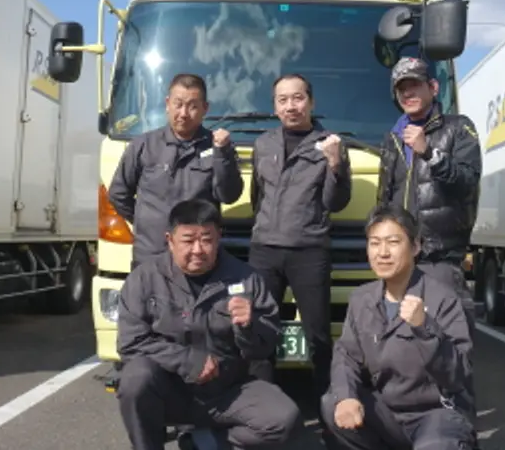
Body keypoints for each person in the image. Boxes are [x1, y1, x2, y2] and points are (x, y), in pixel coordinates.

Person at [115, 198, 302, 450]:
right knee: (135, 379)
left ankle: (204, 442)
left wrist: (249, 326)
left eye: (206, 240)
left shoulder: (246, 278)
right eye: (188, 240)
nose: (198, 250)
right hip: (170, 389)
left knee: (283, 419)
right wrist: (188, 361)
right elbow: (130, 342)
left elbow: (264, 348)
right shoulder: (144, 278)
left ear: (219, 237)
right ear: (170, 240)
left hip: (227, 389)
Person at [321, 204, 477, 450]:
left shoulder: (443, 298)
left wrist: (425, 328)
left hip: (435, 414)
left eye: (393, 242)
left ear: (415, 246)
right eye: (374, 243)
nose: (382, 252)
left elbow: (459, 374)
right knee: (333, 403)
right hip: (388, 413)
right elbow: (346, 356)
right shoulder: (362, 299)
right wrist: (346, 396)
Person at [247, 73, 352, 405]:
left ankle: (329, 408)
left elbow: (336, 202)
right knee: (260, 330)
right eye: (283, 100)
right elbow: (257, 198)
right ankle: (263, 405)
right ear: (275, 107)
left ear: (311, 102)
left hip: (309, 251)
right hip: (265, 250)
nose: (291, 106)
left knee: (318, 334)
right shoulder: (263, 144)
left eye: (298, 98)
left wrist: (334, 164)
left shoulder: (330, 144)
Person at [376, 56, 481, 331]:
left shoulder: (458, 128)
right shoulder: (392, 137)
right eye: (402, 88)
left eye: (414, 85)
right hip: (399, 257)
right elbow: (385, 196)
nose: (408, 93)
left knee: (450, 336)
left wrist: (430, 154)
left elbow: (468, 182)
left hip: (439, 257)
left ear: (433, 87)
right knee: (400, 337)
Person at [108, 73, 244, 269]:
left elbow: (228, 196)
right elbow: (118, 193)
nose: (183, 113)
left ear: (205, 109)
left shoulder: (218, 147)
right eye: (178, 104)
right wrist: (146, 222)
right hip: (151, 255)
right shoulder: (144, 145)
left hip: (197, 257)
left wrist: (223, 154)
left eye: (192, 106)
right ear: (167, 104)